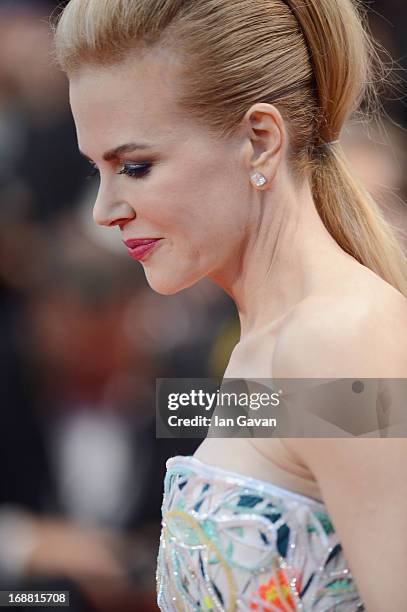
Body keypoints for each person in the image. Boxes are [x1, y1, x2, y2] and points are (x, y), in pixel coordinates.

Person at [53, 0, 407, 610]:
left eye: (135, 167)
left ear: (260, 140)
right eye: (98, 171)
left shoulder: (340, 339)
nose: (104, 210)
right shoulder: (270, 340)